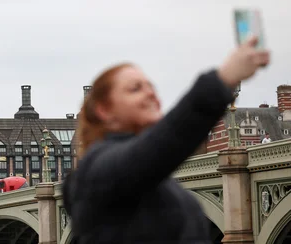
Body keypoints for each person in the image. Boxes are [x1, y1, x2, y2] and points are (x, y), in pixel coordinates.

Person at [63, 36, 270, 243]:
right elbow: (162, 145)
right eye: (135, 88)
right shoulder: (96, 170)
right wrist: (223, 79)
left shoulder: (158, 182)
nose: (150, 93)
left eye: (150, 87)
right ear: (104, 110)